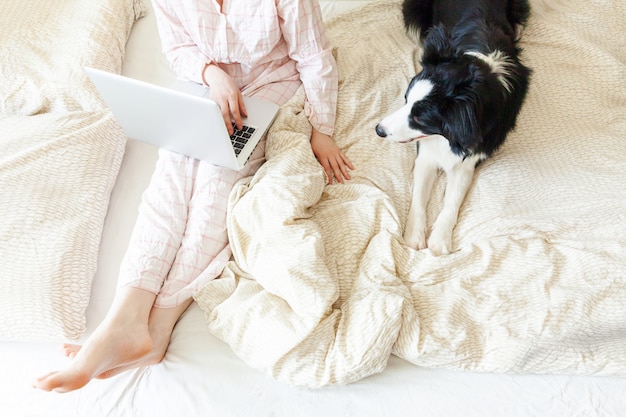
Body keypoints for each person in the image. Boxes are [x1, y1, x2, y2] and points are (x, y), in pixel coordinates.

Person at [33, 0, 353, 393]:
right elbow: (179, 48)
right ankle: (124, 316)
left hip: (273, 82)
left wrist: (322, 127)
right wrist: (211, 73)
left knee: (215, 181)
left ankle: (158, 324)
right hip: (207, 87)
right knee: (171, 177)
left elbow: (313, 55)